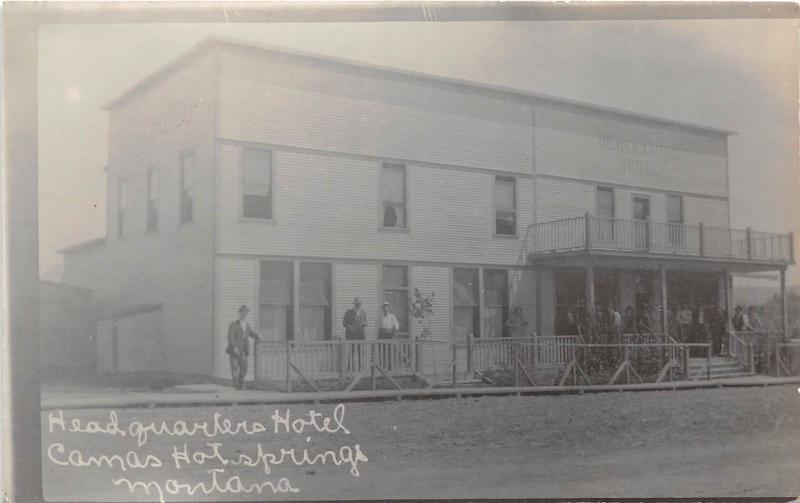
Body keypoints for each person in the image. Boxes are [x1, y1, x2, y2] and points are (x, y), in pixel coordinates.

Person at [225, 305, 264, 390]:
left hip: (243, 350)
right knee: (235, 368)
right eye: (243, 312)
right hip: (234, 350)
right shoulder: (234, 324)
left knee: (244, 368)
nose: (244, 314)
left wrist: (258, 336)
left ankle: (240, 383)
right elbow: (230, 337)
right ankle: (236, 385)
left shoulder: (247, 325)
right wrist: (234, 347)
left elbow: (251, 333)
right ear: (239, 313)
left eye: (246, 313)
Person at [342, 297, 367, 370]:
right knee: (352, 351)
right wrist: (350, 327)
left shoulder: (363, 312)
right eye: (357, 304)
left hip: (360, 335)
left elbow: (366, 321)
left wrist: (365, 323)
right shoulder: (349, 312)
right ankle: (350, 367)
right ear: (354, 304)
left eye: (360, 304)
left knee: (360, 351)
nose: (358, 305)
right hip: (352, 335)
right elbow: (344, 323)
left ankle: (360, 367)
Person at [378, 301, 400, 370]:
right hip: (382, 336)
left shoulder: (392, 316)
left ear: (389, 309)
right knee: (383, 352)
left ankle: (390, 368)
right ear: (382, 309)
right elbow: (377, 327)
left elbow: (397, 325)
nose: (385, 310)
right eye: (384, 309)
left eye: (387, 309)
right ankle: (383, 368)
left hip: (390, 336)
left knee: (390, 352)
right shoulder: (380, 317)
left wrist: (393, 331)